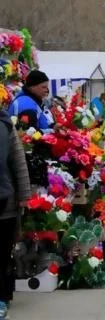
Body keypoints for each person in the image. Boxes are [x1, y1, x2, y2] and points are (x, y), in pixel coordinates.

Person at [0, 110, 31, 319]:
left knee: (2, 253)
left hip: (4, 200)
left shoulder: (4, 124)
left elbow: (18, 161)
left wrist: (24, 194)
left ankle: (1, 297)